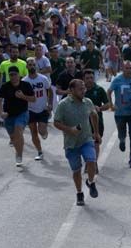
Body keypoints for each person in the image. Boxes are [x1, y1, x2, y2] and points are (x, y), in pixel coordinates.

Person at [52, 78, 101, 207]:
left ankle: (91, 182)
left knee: (91, 160)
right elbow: (56, 122)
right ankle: (79, 192)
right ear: (72, 90)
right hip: (71, 143)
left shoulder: (87, 102)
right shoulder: (63, 105)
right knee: (76, 171)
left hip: (86, 139)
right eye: (80, 89)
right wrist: (70, 130)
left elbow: (94, 115)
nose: (83, 91)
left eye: (84, 88)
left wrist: (96, 132)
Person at [0, 65, 35, 168]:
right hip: (8, 115)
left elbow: (33, 99)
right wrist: (1, 113)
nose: (13, 77)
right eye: (11, 75)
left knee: (18, 131)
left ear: (19, 75)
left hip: (22, 113)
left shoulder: (26, 85)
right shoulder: (5, 86)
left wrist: (23, 96)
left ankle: (19, 154)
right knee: (14, 138)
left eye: (15, 74)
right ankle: (18, 148)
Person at [109, 60, 131, 169]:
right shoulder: (117, 80)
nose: (129, 70)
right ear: (122, 68)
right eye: (126, 68)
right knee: (122, 134)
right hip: (120, 113)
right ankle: (122, 140)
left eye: (130, 68)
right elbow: (109, 91)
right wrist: (111, 105)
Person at [24, 58, 54, 161]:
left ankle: (44, 132)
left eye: (33, 65)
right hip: (30, 110)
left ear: (36, 66)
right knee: (33, 131)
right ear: (27, 66)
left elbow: (50, 91)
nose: (32, 66)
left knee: (42, 132)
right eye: (30, 65)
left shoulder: (43, 78)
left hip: (42, 108)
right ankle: (39, 151)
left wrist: (50, 104)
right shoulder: (24, 81)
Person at [83, 69, 111, 144]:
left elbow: (108, 104)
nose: (89, 80)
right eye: (87, 78)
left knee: (96, 143)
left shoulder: (99, 90)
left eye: (91, 78)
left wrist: (100, 108)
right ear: (83, 79)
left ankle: (94, 156)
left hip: (97, 122)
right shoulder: (79, 90)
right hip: (82, 123)